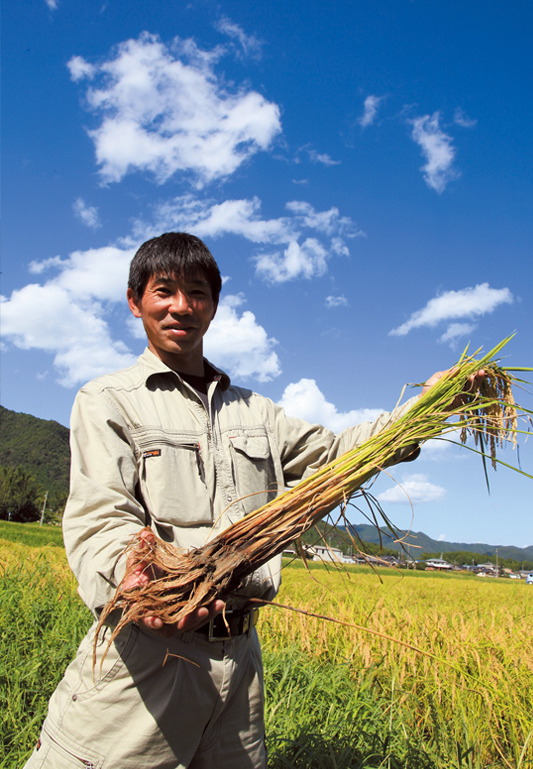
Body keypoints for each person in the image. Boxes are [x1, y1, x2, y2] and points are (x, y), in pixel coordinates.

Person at [25, 232, 470, 769]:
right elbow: (101, 516)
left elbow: (335, 455)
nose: (181, 307)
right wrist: (133, 580)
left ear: (214, 306)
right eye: (163, 290)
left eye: (198, 293)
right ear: (134, 300)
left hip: (239, 669)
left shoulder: (257, 412)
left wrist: (425, 408)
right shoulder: (108, 400)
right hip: (147, 659)